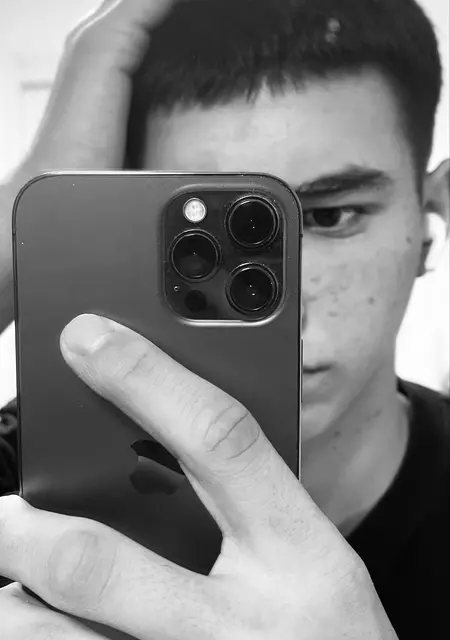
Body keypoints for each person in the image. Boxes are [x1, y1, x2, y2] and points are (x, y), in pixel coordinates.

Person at [0, 0, 449, 637]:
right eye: (199, 242)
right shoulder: (26, 461)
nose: (291, 304)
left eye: (330, 216)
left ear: (431, 216)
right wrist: (23, 213)